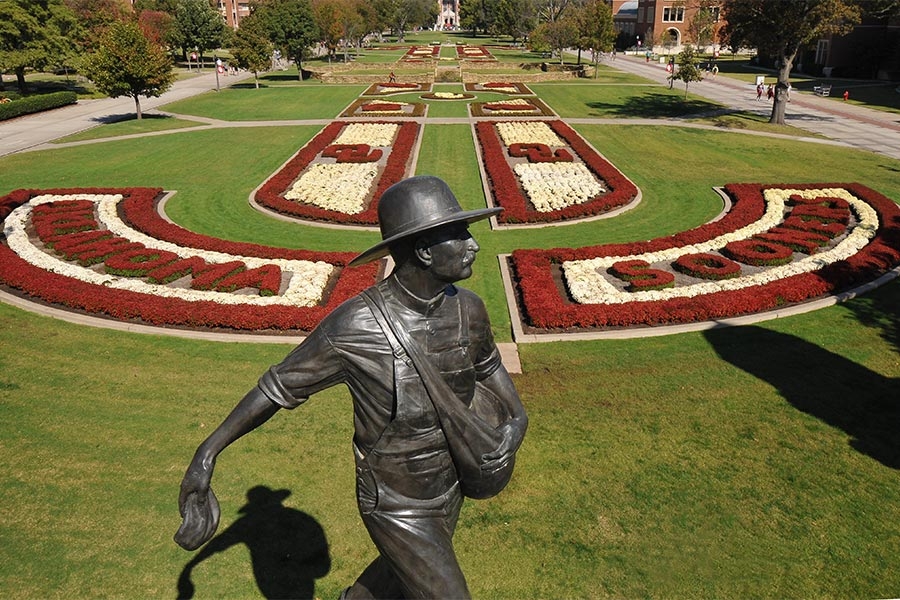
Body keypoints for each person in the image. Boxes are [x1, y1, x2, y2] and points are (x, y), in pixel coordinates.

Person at [176, 175, 528, 599]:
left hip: (452, 481)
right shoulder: (354, 326)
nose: (472, 244)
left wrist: (514, 428)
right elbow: (277, 387)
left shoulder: (468, 309)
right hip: (395, 499)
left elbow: (497, 381)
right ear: (423, 251)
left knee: (399, 578)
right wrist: (206, 452)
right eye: (458, 235)